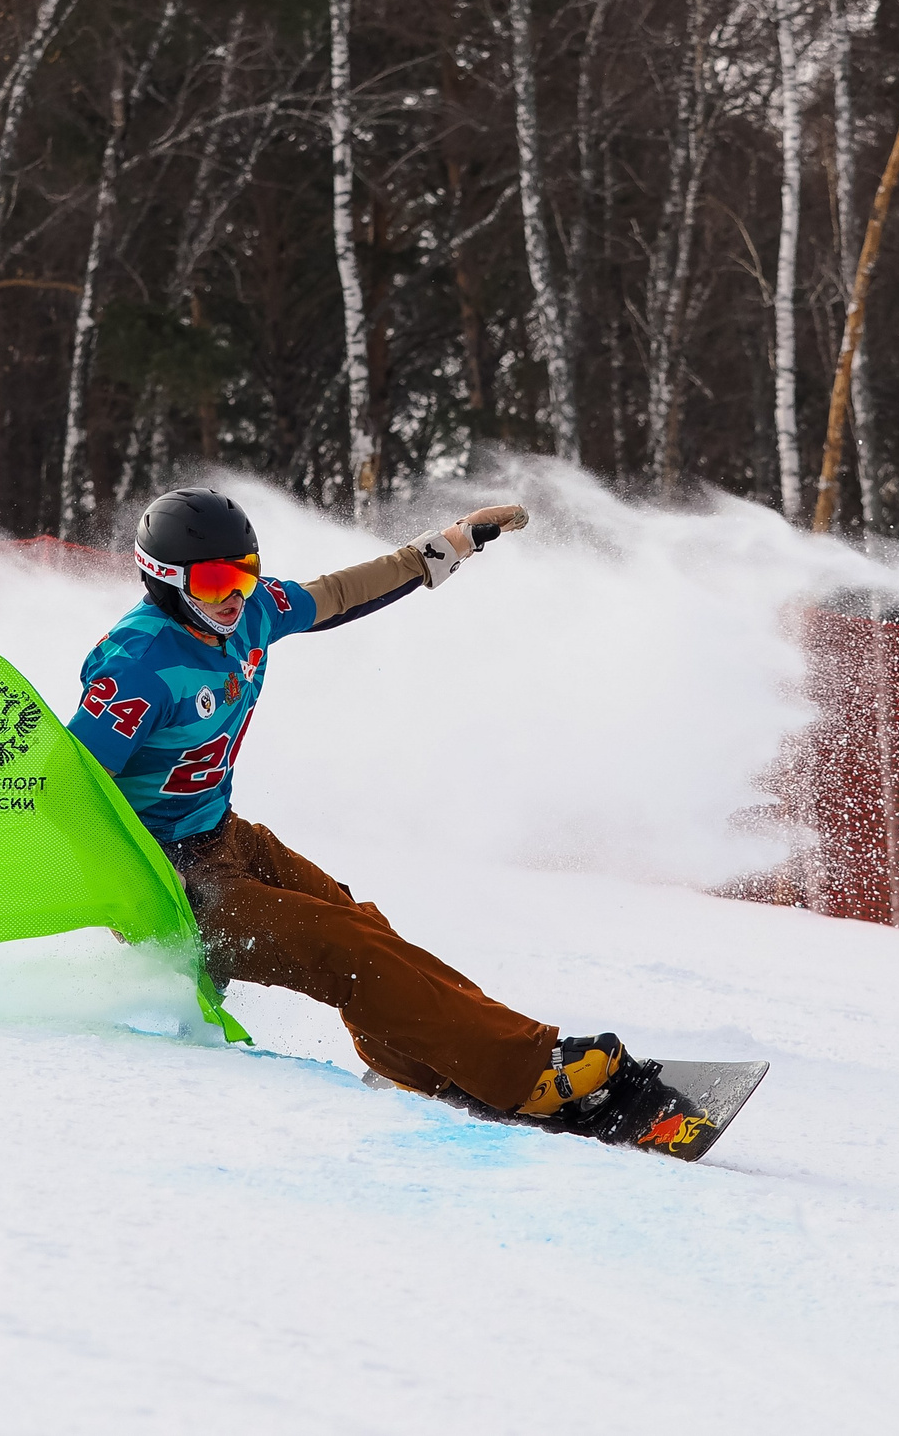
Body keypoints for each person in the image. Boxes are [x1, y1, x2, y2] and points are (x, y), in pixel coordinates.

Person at [66, 486, 705, 1149]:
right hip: (165, 880)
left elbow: (339, 592)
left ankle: (421, 1063)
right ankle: (526, 1072)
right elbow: (69, 792)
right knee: (345, 947)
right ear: (165, 580)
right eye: (217, 579)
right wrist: (134, 905)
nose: (237, 593)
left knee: (359, 920)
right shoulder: (138, 664)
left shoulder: (249, 614)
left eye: (247, 570)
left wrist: (452, 543)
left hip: (220, 835)